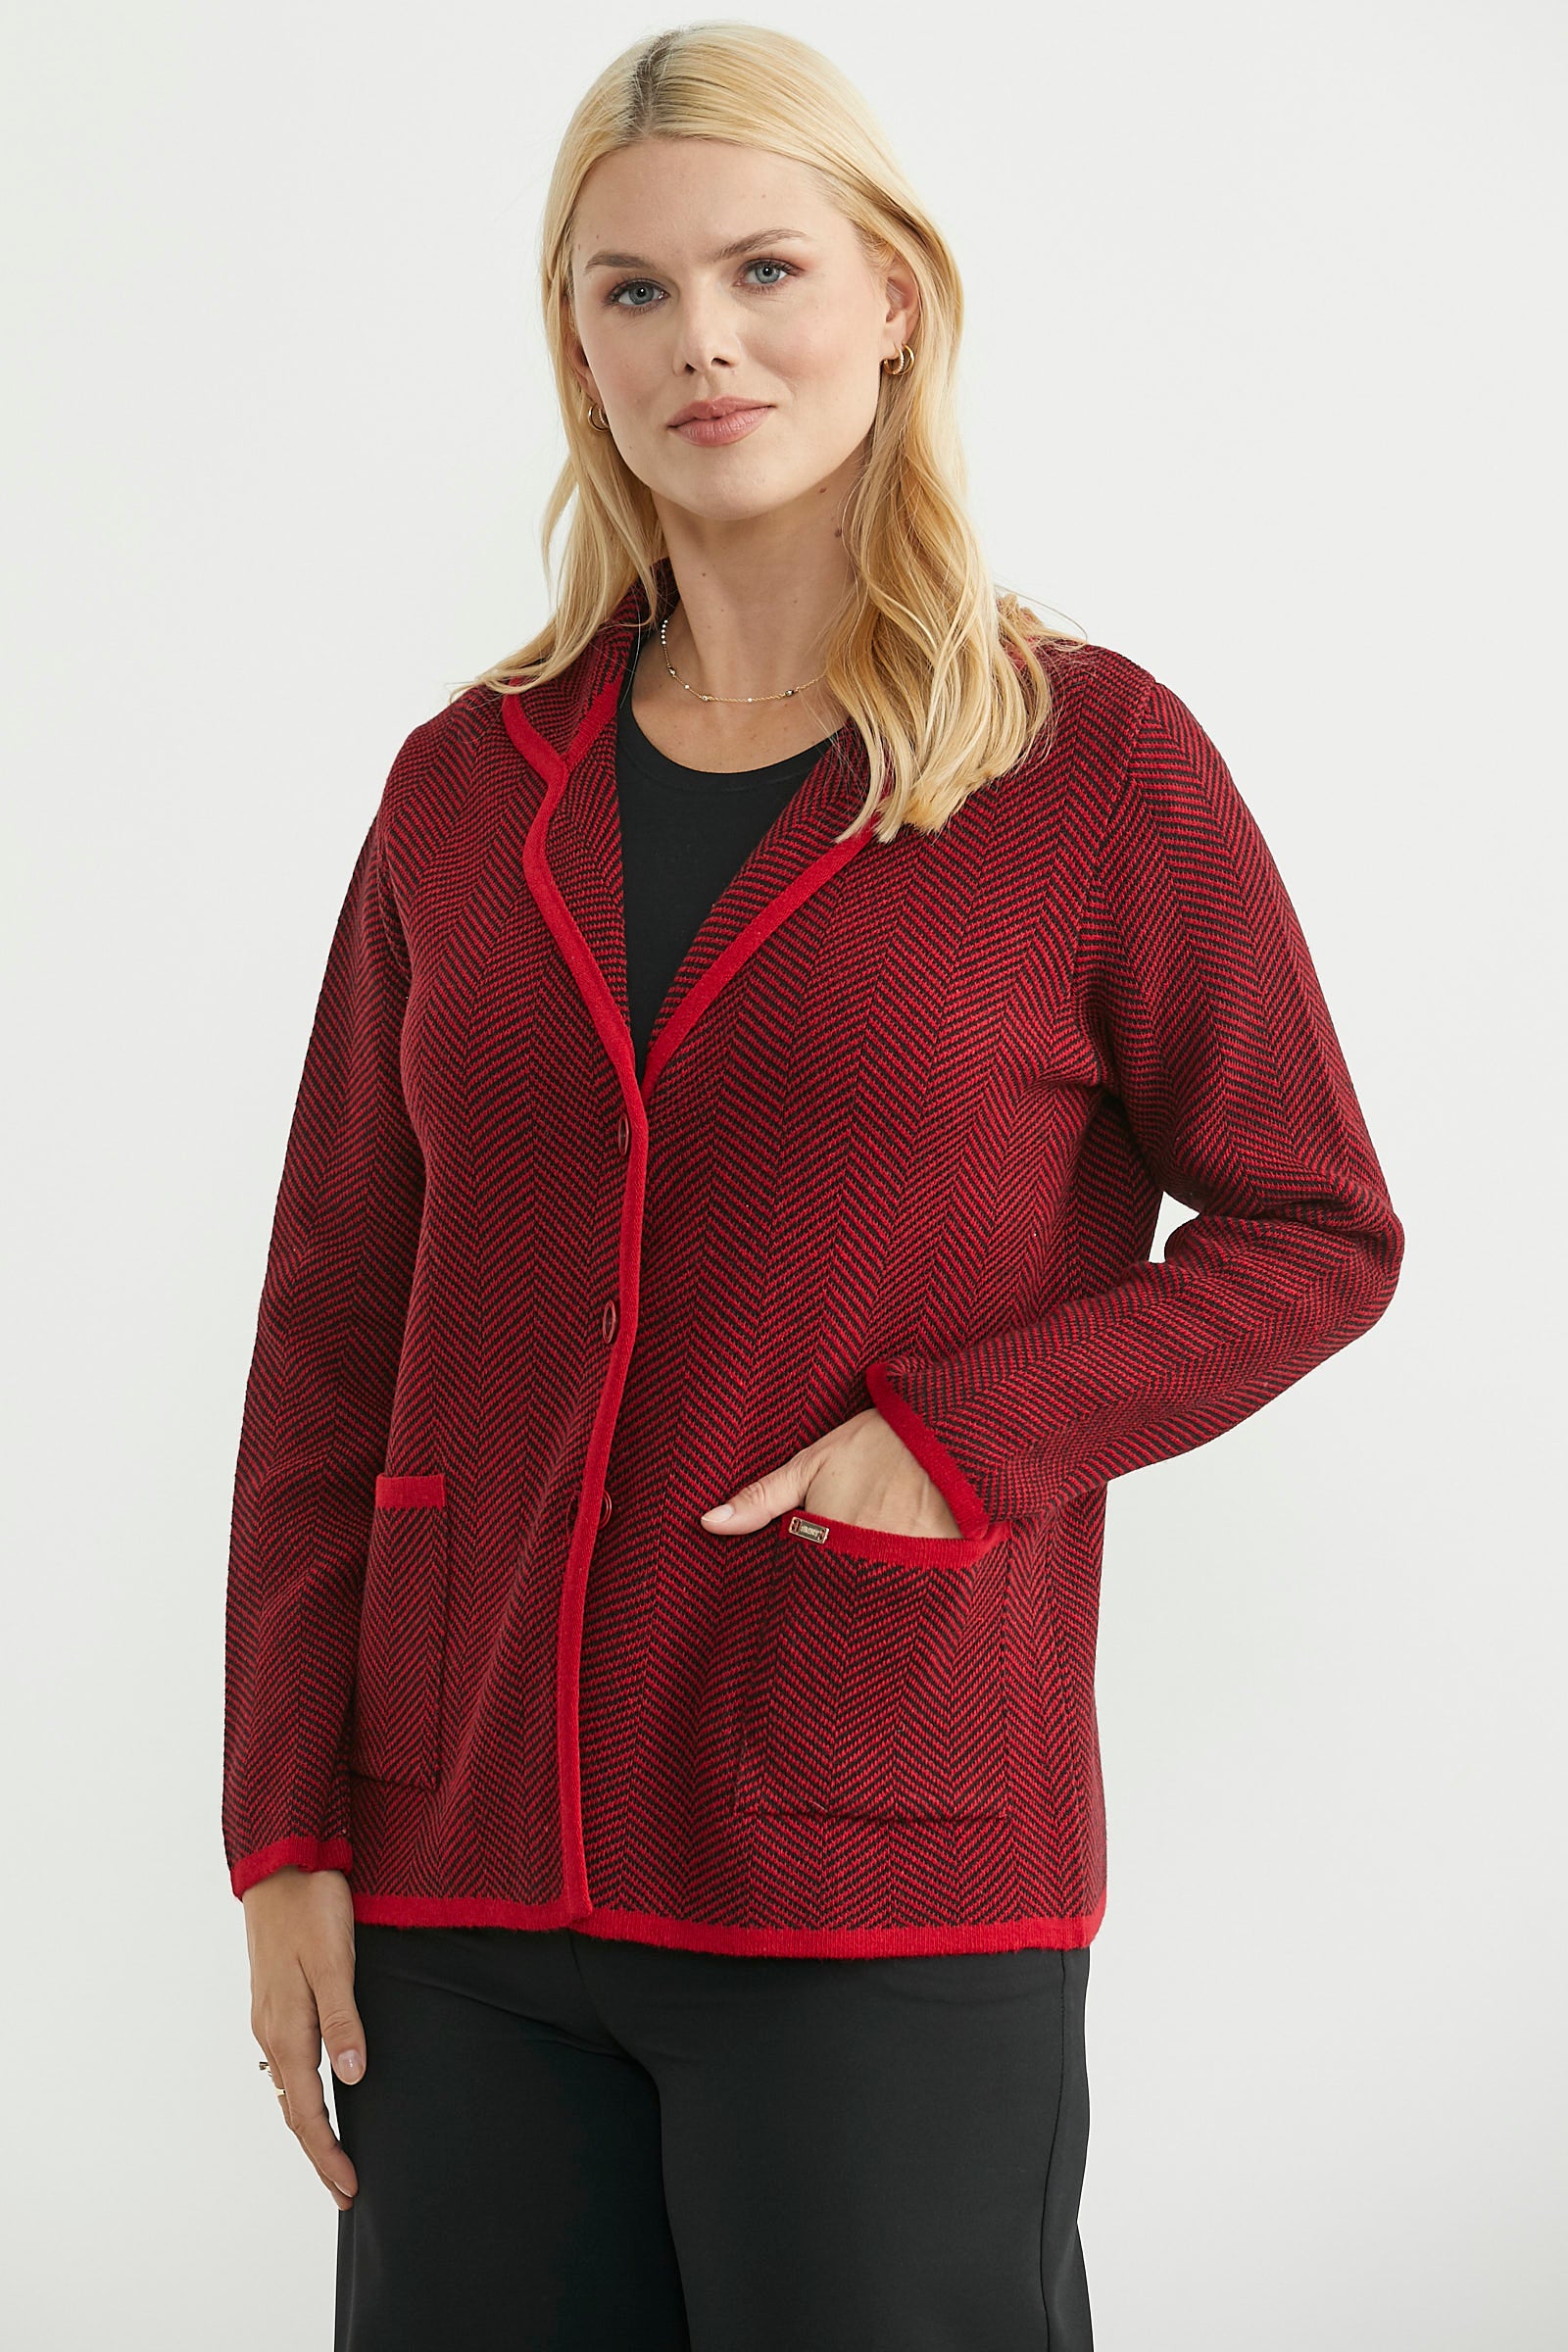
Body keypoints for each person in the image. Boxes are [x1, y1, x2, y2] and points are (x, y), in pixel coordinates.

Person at [223, 24, 1404, 2351]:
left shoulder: (1089, 765)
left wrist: (954, 1444)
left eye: (763, 269)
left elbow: (1314, 1229)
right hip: (457, 1880)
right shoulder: (463, 787)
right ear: (575, 344)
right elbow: (330, 1321)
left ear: (891, 299)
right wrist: (284, 1830)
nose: (704, 340)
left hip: (876, 1860)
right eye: (632, 290)